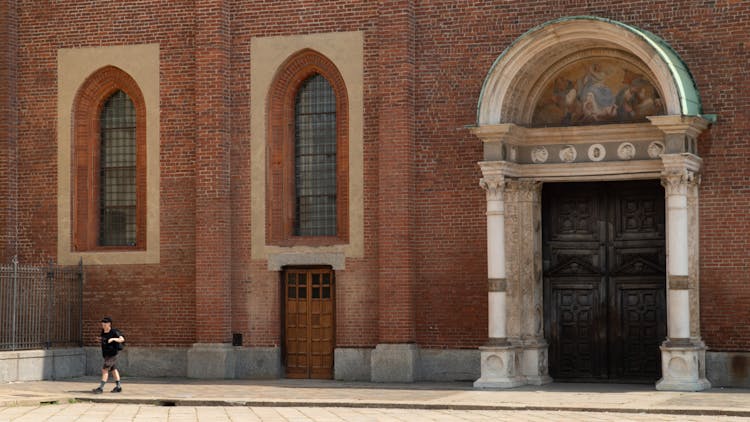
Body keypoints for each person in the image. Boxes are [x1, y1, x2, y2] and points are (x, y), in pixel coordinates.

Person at [92, 316, 125, 394]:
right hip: (106, 355)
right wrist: (100, 339)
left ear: (109, 324)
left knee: (105, 369)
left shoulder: (114, 332)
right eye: (103, 323)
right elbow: (105, 340)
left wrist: (113, 339)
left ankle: (101, 388)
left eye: (105, 323)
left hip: (112, 354)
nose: (103, 325)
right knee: (113, 370)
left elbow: (122, 339)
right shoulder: (103, 331)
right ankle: (118, 387)